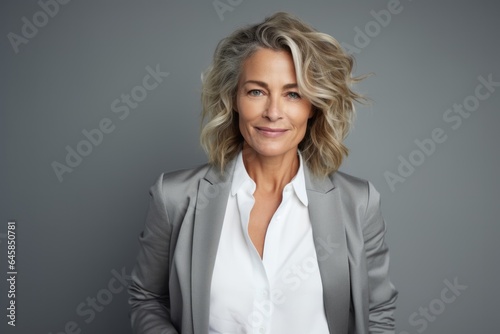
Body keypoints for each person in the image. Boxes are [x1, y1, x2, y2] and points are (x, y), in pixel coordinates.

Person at [128, 11, 397, 334]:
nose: (273, 112)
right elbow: (147, 297)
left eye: (293, 94)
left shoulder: (358, 203)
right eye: (256, 91)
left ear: (313, 106)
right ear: (234, 99)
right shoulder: (175, 197)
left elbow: (378, 310)